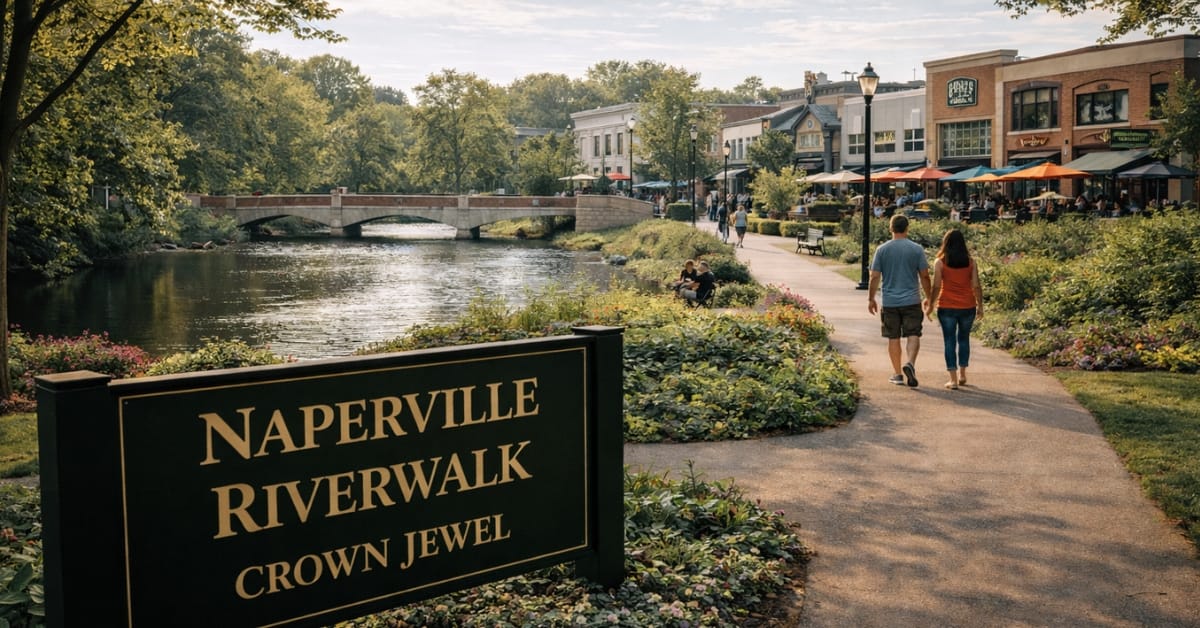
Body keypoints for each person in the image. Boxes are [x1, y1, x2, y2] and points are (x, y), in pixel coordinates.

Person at [867, 214, 932, 387]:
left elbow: (874, 276)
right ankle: (910, 362)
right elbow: (925, 276)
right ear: (907, 228)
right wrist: (929, 297)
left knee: (893, 337)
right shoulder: (916, 249)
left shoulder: (882, 249)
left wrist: (871, 298)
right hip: (912, 299)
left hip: (890, 302)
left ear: (891, 228)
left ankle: (897, 374)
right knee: (913, 333)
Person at [924, 229, 983, 390]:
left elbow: (936, 286)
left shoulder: (940, 262)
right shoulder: (971, 262)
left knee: (949, 341)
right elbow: (976, 285)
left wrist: (930, 304)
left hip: (947, 306)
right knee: (964, 339)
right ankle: (963, 374)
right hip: (968, 305)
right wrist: (980, 306)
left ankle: (953, 379)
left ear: (946, 243)